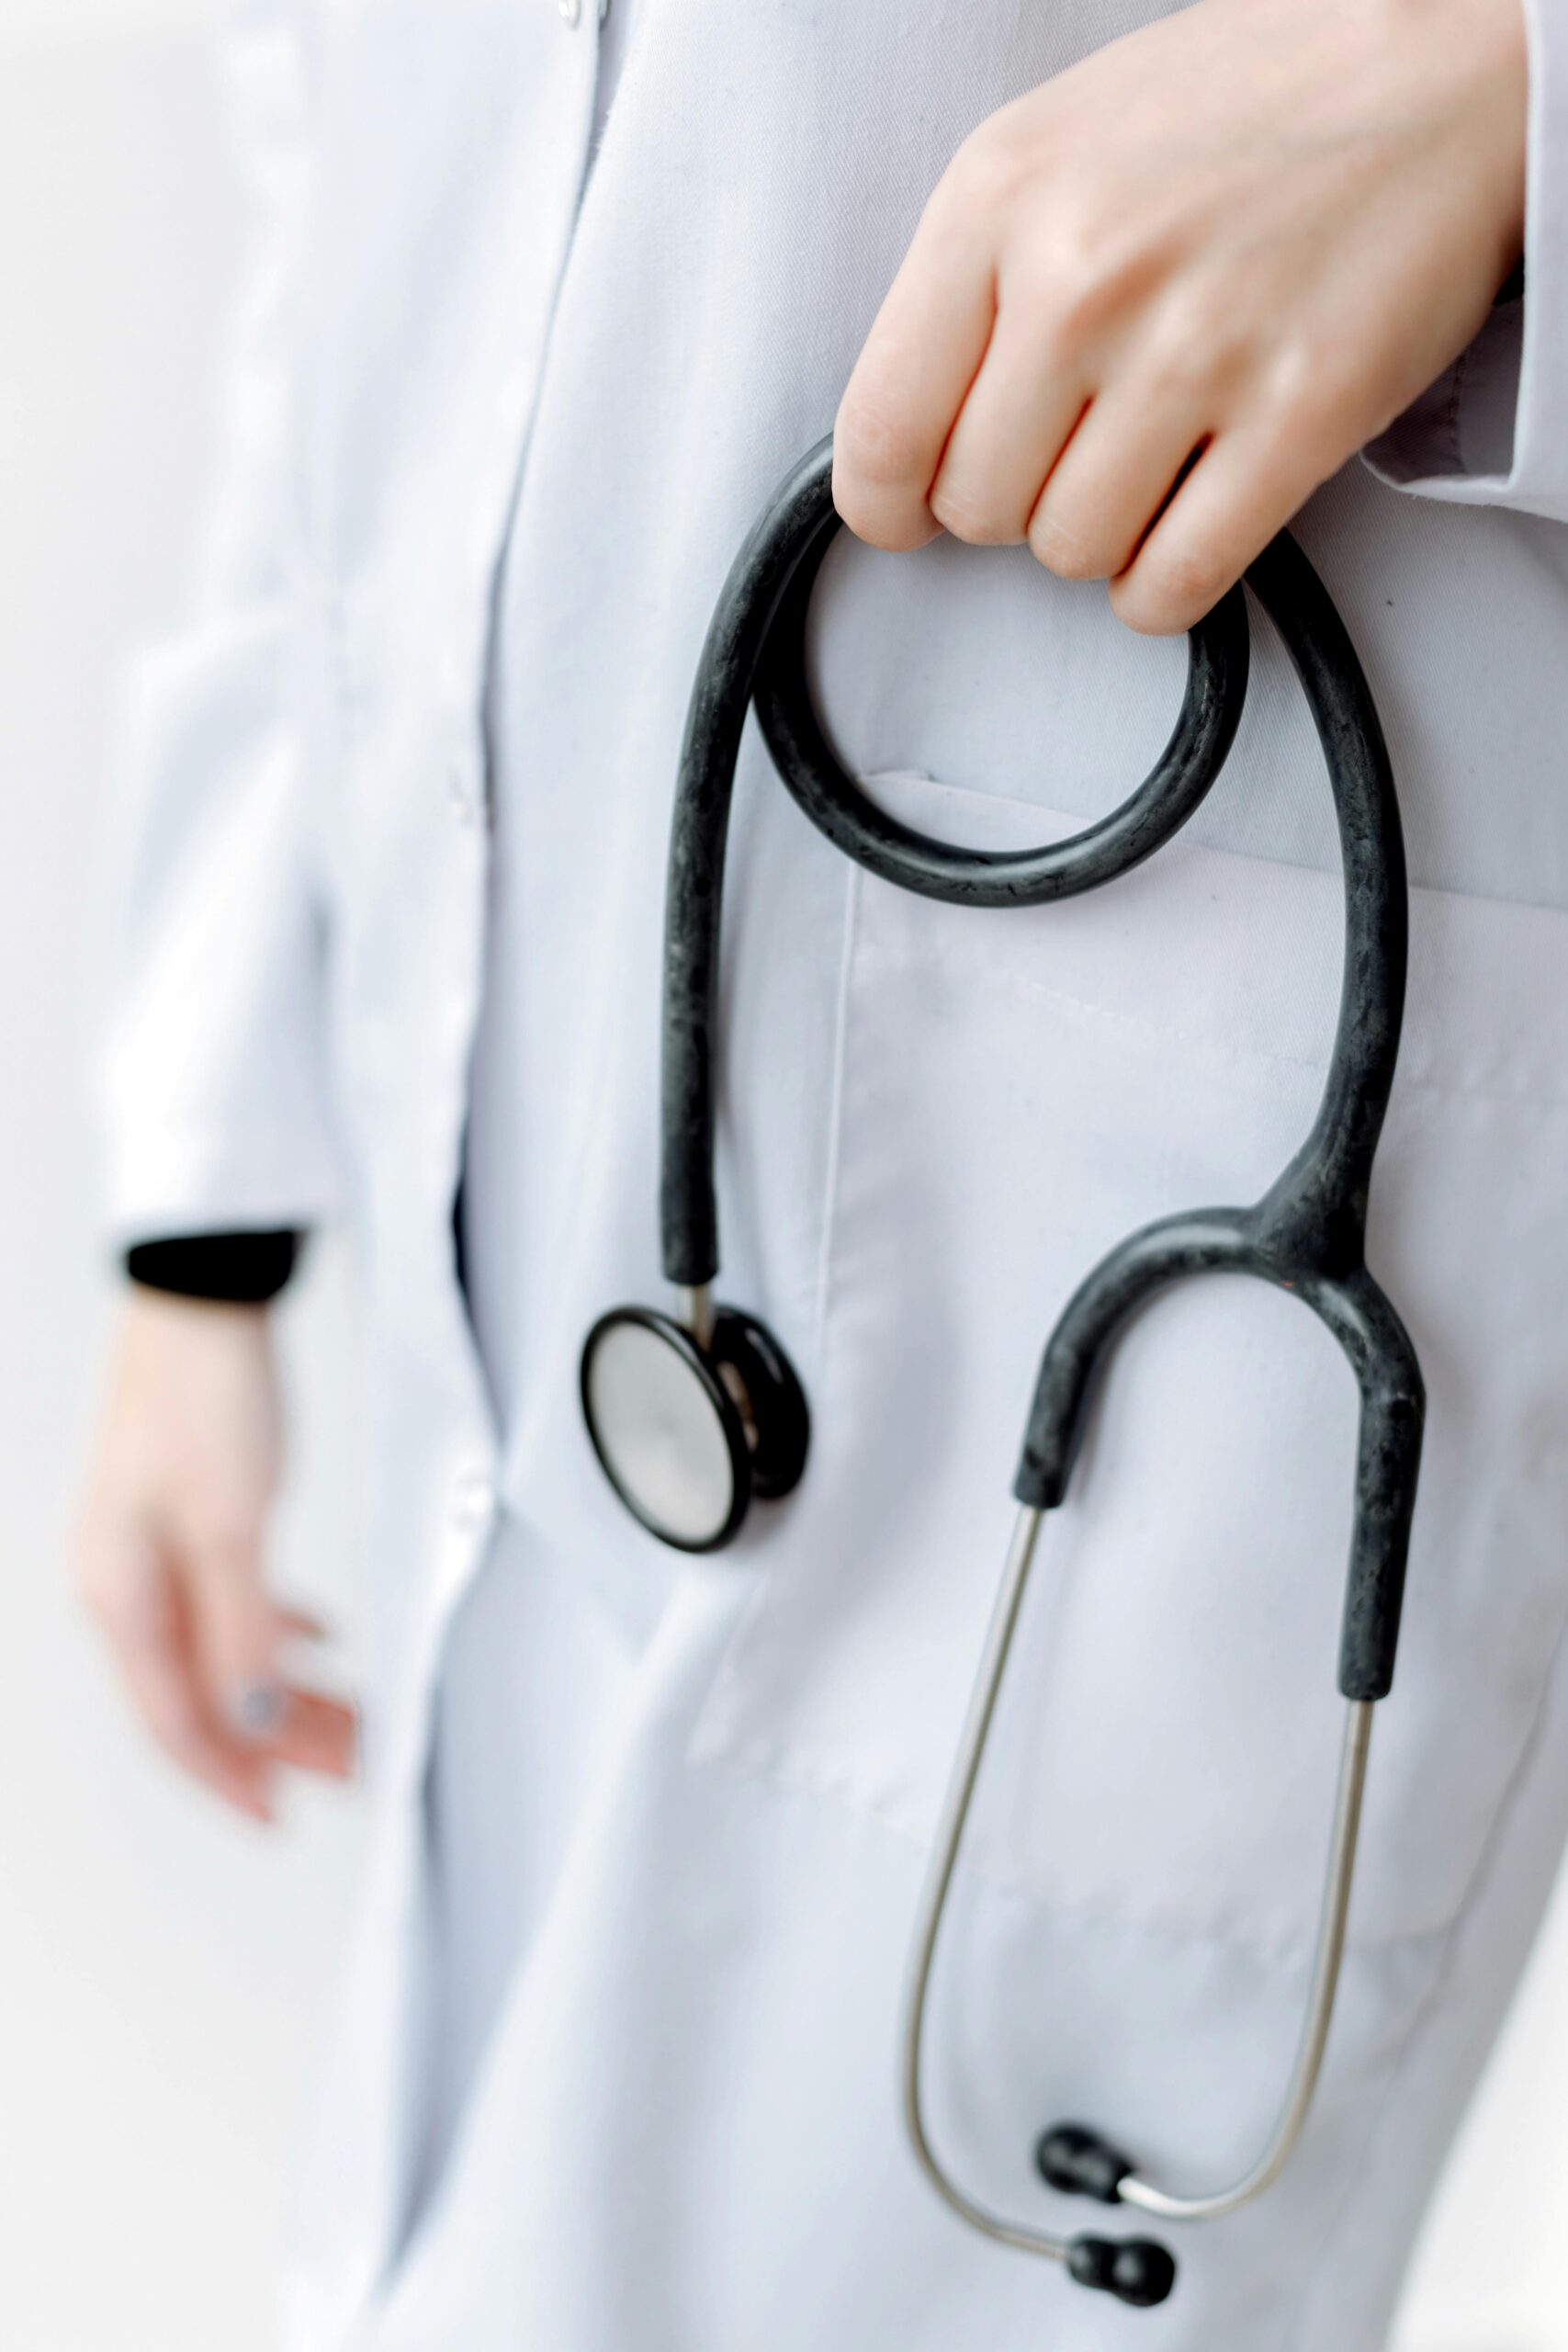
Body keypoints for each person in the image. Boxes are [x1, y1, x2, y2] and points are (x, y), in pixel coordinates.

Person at [73, 0, 1568, 2342]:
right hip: (510, 1156)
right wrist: (207, 1201)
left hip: (1156, 1188)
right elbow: (350, 204)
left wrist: (1509, 98)